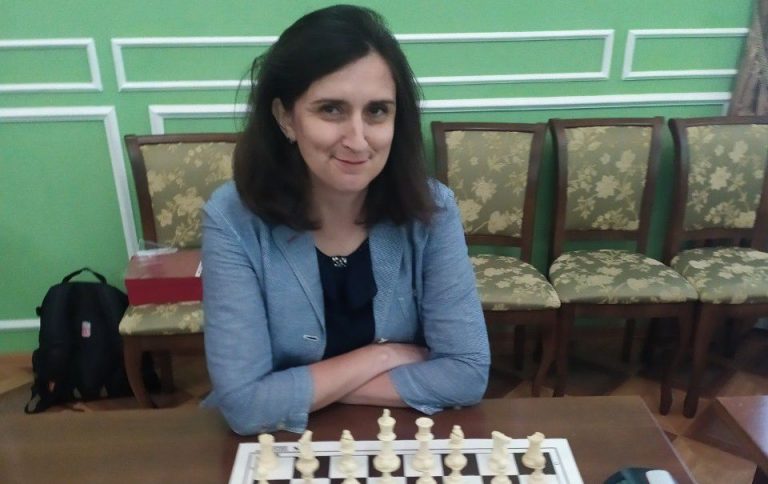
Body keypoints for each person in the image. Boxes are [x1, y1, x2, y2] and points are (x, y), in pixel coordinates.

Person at [202, 4, 490, 435]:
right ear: (285, 118)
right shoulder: (232, 219)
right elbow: (245, 405)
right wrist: (383, 356)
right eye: (331, 109)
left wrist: (295, 390)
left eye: (377, 111)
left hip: (401, 440)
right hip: (279, 448)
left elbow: (467, 373)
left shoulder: (432, 210)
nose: (357, 140)